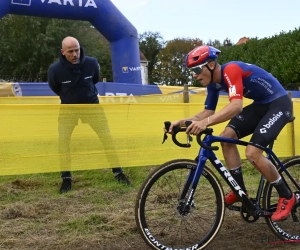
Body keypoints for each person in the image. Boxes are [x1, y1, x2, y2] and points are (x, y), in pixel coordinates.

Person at [166, 45, 297, 222]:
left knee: (252, 153)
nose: (194, 75)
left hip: (279, 104)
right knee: (226, 137)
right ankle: (240, 190)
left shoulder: (231, 69)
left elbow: (236, 106)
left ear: (211, 65)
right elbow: (206, 113)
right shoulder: (213, 85)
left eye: (196, 69)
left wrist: (205, 124)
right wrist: (179, 123)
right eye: (191, 72)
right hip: (261, 105)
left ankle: (287, 195)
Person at [48, 36, 130, 193]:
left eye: (77, 50)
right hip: (68, 109)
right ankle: (66, 179)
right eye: (70, 51)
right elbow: (55, 87)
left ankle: (118, 172)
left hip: (92, 106)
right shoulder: (55, 70)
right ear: (63, 52)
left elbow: (95, 79)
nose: (75, 54)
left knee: (107, 138)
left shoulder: (92, 63)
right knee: (63, 143)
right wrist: (69, 96)